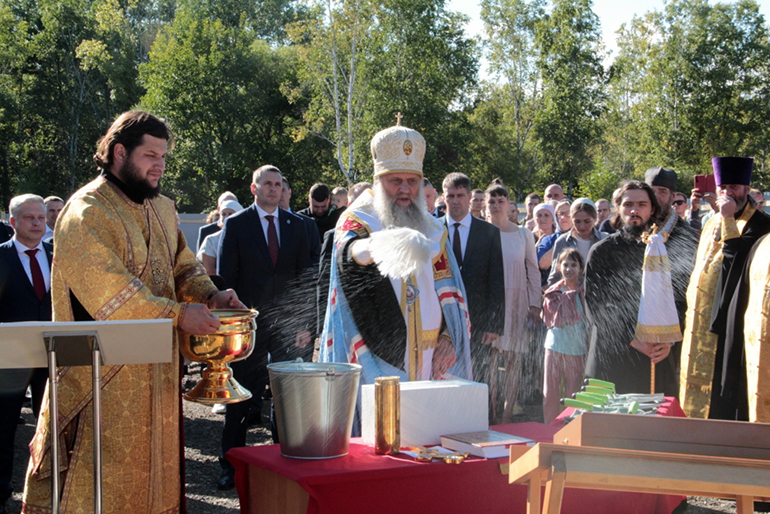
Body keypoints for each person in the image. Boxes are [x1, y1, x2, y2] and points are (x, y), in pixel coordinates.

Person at [23, 110, 244, 513]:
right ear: (120, 153)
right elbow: (109, 292)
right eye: (150, 155)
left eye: (164, 157)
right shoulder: (86, 211)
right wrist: (180, 315)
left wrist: (212, 295)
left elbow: (183, 268)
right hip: (101, 378)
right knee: (101, 489)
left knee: (155, 483)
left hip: (158, 373)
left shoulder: (161, 208)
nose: (160, 165)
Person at [320, 121, 471, 388]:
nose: (405, 189)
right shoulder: (359, 218)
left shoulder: (434, 228)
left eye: (412, 181)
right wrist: (377, 245)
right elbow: (347, 256)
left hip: (432, 352)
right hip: (375, 350)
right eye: (395, 181)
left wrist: (448, 337)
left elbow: (449, 288)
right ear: (378, 181)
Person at [217, 165, 313, 489]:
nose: (273, 189)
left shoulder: (299, 226)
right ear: (254, 188)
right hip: (249, 325)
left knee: (288, 398)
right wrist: (232, 325)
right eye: (267, 184)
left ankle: (285, 463)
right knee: (242, 395)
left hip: (289, 327)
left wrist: (305, 324)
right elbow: (226, 280)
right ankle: (230, 465)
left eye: (278, 184)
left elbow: (306, 279)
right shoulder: (237, 225)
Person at [584, 180, 695, 396]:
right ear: (618, 207)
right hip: (613, 356)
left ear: (652, 209)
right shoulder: (602, 251)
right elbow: (596, 306)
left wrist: (670, 341)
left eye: (642, 204)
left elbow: (681, 300)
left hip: (656, 355)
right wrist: (633, 339)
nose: (634, 210)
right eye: (628, 204)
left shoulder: (662, 250)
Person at [680, 157, 770, 420]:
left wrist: (729, 218)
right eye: (723, 188)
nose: (728, 193)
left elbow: (736, 262)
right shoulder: (710, 222)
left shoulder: (762, 225)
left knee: (726, 392)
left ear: (746, 189)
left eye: (734, 187)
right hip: (703, 315)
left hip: (734, 319)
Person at [0, 195, 52, 514]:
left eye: (41, 217)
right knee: (3, 429)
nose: (36, 223)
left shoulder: (58, 255)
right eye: (29, 217)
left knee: (53, 426)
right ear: (13, 222)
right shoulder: (1, 256)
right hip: (9, 360)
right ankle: (1, 494)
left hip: (54, 355)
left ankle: (51, 493)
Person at [485, 180, 540, 423]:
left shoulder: (523, 234)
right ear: (486, 205)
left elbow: (533, 270)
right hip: (490, 304)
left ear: (509, 204)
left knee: (513, 358)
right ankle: (490, 411)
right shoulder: (481, 232)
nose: (497, 206)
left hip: (517, 301)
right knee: (489, 360)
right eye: (492, 201)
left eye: (501, 201)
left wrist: (535, 304)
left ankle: (507, 414)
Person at [443, 173, 505, 388]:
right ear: (443, 197)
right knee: (443, 380)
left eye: (460, 195)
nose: (455, 201)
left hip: (478, 321)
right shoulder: (433, 231)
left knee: (477, 380)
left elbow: (496, 281)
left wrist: (494, 324)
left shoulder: (489, 232)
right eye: (450, 196)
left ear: (469, 196)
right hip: (441, 322)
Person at [541, 248, 587, 424]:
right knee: (550, 393)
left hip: (576, 348)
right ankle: (549, 427)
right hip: (554, 346)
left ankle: (570, 427)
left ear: (581, 268)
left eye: (573, 265)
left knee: (573, 393)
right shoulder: (553, 292)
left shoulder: (584, 292)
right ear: (559, 267)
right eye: (565, 265)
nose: (569, 269)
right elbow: (547, 317)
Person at [547, 198, 605, 286]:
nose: (582, 226)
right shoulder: (563, 241)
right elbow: (555, 275)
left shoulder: (604, 239)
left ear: (595, 219)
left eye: (587, 221)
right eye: (577, 222)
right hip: (570, 292)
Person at [280, 177, 321, 266]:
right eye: (276, 190)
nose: (279, 194)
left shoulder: (307, 224)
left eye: (282, 190)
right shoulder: (263, 222)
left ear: (289, 193)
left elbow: (316, 258)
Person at [196, 199, 243, 274]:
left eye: (230, 214)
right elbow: (209, 270)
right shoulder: (211, 240)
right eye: (223, 214)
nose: (226, 217)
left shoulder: (249, 238)